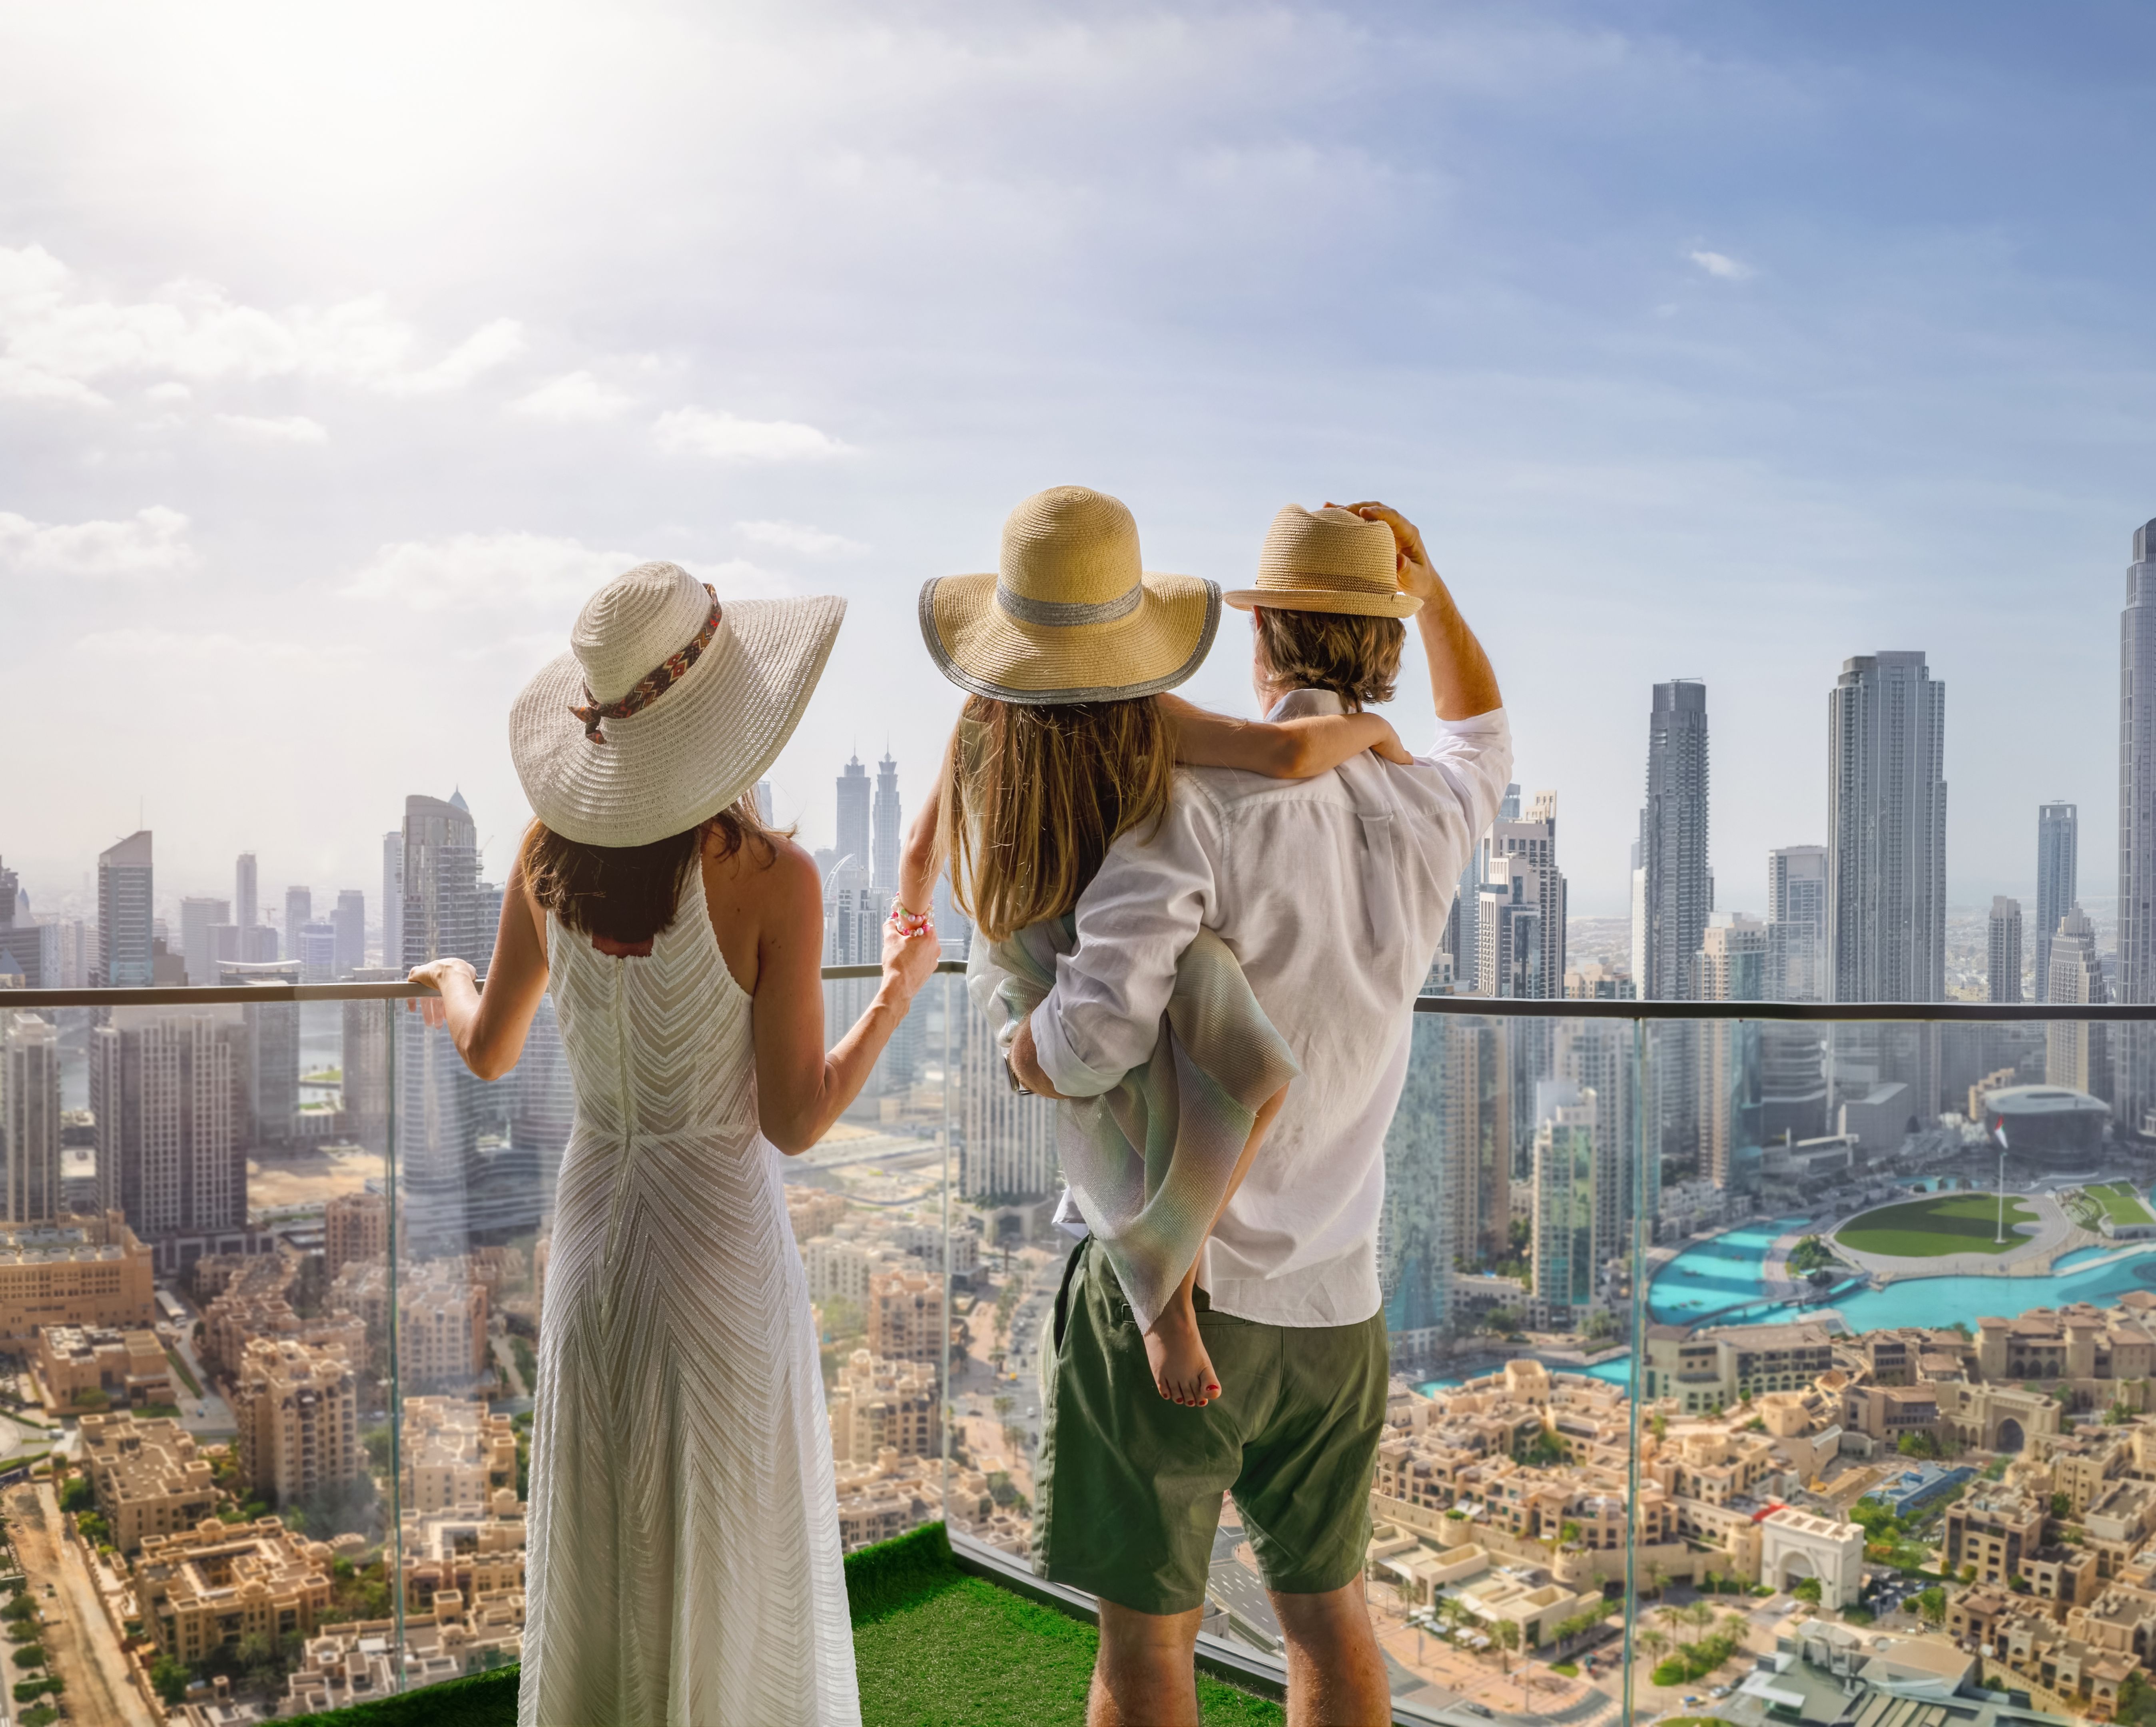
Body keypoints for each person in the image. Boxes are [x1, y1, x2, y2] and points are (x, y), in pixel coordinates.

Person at [407, 561, 935, 1727]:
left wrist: (452, 982)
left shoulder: (546, 856)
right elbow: (794, 1119)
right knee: (729, 1546)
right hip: (721, 1252)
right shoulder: (774, 881)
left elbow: (489, 1049)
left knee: (608, 1547)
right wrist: (894, 999)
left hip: (597, 1244)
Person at [1009, 500, 1508, 1726]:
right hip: (1338, 1302)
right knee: (1331, 1627)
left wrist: (1025, 1049)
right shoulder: (1430, 811)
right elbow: (1481, 731)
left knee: (1145, 1654)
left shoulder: (1195, 800)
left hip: (1183, 1292)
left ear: (1261, 638)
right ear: (1382, 648)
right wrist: (1427, 588)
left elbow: (1095, 1039)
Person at [905, 484, 1411, 1410]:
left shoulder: (982, 717)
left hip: (1024, 961)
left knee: (1156, 1079)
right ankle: (1164, 1290)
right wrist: (1375, 727)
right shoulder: (1148, 718)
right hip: (1077, 961)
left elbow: (918, 849)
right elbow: (1290, 758)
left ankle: (1159, 1267)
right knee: (1253, 1072)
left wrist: (908, 938)